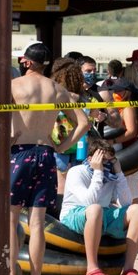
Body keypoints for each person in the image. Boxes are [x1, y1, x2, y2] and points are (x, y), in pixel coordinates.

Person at [8, 42, 86, 275]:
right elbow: (82, 123)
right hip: (45, 153)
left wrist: (5, 141)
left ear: (27, 62)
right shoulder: (56, 88)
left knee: (10, 220)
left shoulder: (14, 85)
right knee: (38, 223)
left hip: (20, 151)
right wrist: (62, 146)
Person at [60, 136, 138, 275]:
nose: (107, 165)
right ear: (90, 159)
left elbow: (126, 202)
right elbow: (89, 201)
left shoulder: (112, 176)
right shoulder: (76, 172)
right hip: (75, 213)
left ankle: (128, 268)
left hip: (102, 213)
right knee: (95, 209)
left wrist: (119, 173)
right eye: (103, 160)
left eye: (110, 161)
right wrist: (98, 172)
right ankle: (92, 268)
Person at [102, 78, 138, 246]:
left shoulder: (128, 107)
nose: (115, 93)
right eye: (114, 91)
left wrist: (113, 141)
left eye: (118, 91)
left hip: (128, 156)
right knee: (132, 198)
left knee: (134, 199)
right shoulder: (122, 106)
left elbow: (132, 132)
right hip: (125, 155)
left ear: (127, 91)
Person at [50, 59, 92, 195]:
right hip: (79, 143)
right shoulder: (83, 96)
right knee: (78, 183)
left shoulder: (55, 94)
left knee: (61, 185)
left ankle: (61, 213)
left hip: (59, 143)